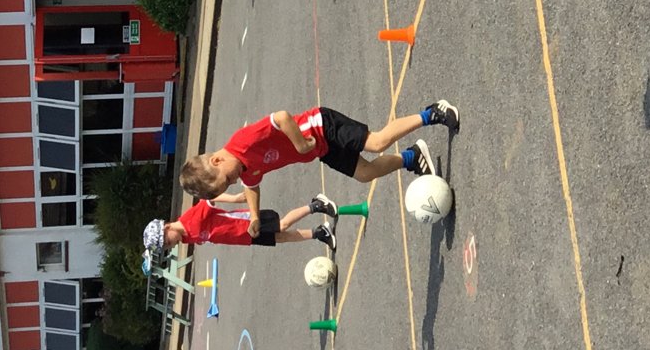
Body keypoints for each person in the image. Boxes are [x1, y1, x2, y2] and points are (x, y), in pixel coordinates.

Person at [179, 100, 460, 198]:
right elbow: (251, 188)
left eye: (227, 178)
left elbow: (281, 117)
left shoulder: (242, 142)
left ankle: (432, 113)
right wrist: (254, 216)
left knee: (376, 142)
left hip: (320, 126)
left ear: (217, 159)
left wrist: (300, 143)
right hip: (321, 150)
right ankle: (411, 157)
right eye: (229, 184)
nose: (234, 180)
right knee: (364, 174)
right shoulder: (244, 170)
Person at [146, 190, 338, 253]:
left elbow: (209, 199)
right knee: (280, 238)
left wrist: (236, 198)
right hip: (244, 237)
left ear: (167, 226)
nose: (171, 245)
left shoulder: (189, 220)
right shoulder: (186, 237)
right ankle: (319, 233)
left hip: (245, 223)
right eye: (167, 246)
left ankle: (316, 205)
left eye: (168, 241)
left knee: (282, 225)